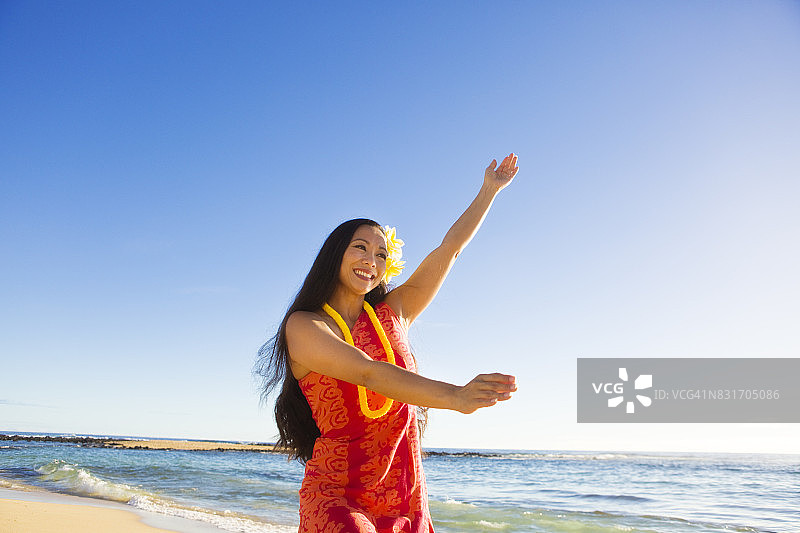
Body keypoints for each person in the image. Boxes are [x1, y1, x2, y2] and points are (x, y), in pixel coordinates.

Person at [255, 153, 519, 532]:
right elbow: (369, 372)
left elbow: (449, 250)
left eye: (381, 254)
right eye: (360, 247)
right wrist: (456, 397)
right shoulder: (304, 325)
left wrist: (489, 190)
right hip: (338, 494)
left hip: (406, 494)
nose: (371, 260)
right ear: (335, 255)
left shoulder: (394, 313)